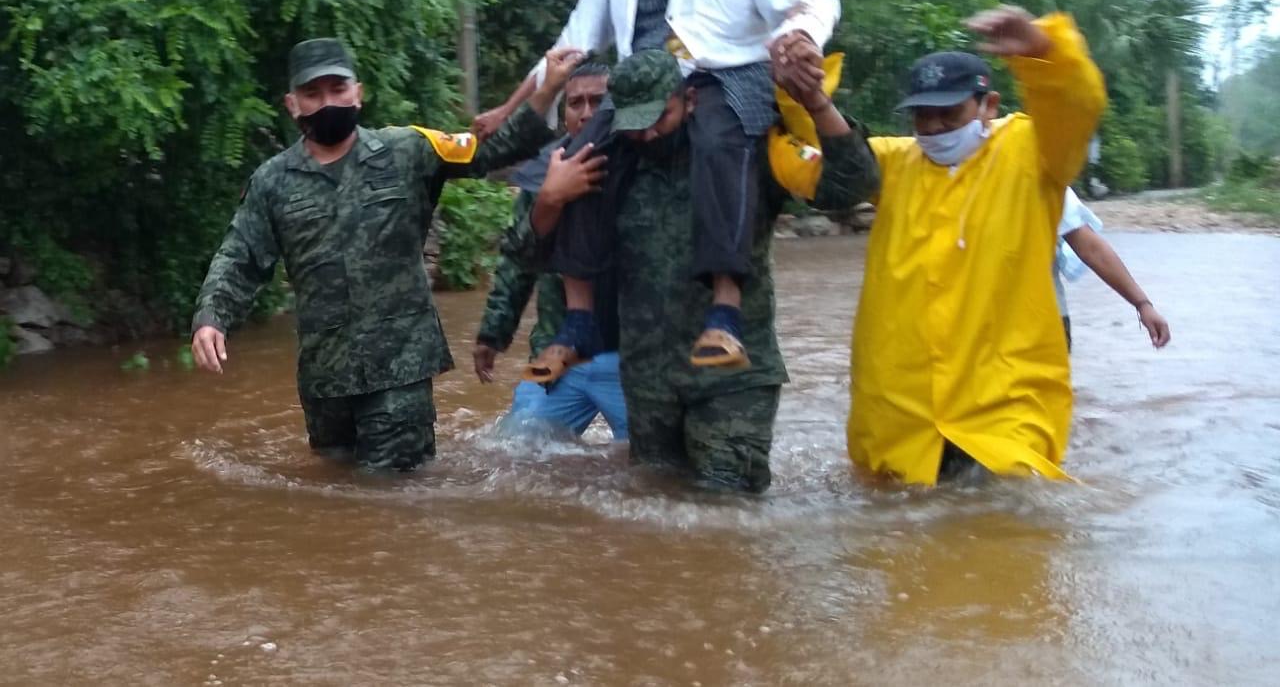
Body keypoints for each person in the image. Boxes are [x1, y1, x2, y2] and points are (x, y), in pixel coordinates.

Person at [476, 0, 840, 378]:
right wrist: (513, 104)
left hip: (724, 75)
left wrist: (800, 35)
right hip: (639, 84)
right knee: (574, 161)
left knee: (722, 139)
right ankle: (577, 322)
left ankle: (724, 309)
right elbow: (576, 37)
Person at [190, 38, 582, 471]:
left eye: (337, 89)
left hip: (401, 366)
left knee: (391, 495)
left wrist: (547, 90)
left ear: (358, 92)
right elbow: (240, 254)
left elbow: (493, 149)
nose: (327, 103)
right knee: (333, 490)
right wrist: (212, 317)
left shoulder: (409, 149)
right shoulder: (272, 182)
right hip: (326, 376)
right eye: (312, 94)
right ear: (292, 104)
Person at [533, 48, 878, 493]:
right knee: (654, 510)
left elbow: (852, 185)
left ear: (690, 100)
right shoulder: (609, 163)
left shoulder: (746, 151)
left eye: (661, 117)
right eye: (636, 125)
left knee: (726, 509)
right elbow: (535, 250)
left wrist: (816, 103)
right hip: (647, 381)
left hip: (733, 379)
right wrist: (549, 198)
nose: (648, 134)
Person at [847, 6, 1107, 486]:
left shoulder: (1033, 153)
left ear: (988, 105)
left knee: (1008, 530)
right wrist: (800, 95)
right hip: (904, 416)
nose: (936, 128)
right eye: (923, 117)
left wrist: (1047, 55)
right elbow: (814, 160)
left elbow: (1077, 108)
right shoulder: (892, 164)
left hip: (1002, 409)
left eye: (950, 113)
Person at [472, 60, 628, 439]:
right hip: (557, 351)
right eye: (576, 103)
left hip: (632, 357)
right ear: (564, 114)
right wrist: (493, 333)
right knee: (514, 452)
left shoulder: (640, 169)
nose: (587, 113)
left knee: (654, 471)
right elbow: (518, 263)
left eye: (598, 101)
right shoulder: (542, 174)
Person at [1054, 187, 1171, 349]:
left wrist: (1142, 304)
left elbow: (1092, 249)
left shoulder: (1039, 178)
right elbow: (1092, 250)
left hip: (1043, 324)